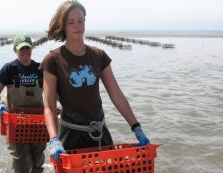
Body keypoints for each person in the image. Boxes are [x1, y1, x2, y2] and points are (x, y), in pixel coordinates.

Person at [42, 0, 150, 161]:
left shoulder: (99, 56)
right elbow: (50, 107)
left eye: (80, 21)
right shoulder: (53, 60)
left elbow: (117, 95)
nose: (77, 26)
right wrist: (54, 139)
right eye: (71, 22)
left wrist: (136, 127)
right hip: (70, 135)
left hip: (99, 132)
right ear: (63, 25)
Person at [0, 34, 46, 173]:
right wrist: (0, 104)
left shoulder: (40, 68)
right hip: (16, 122)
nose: (25, 52)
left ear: (32, 49)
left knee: (38, 158)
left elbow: (52, 92)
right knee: (20, 159)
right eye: (21, 49)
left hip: (38, 122)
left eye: (27, 48)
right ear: (15, 50)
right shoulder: (9, 68)